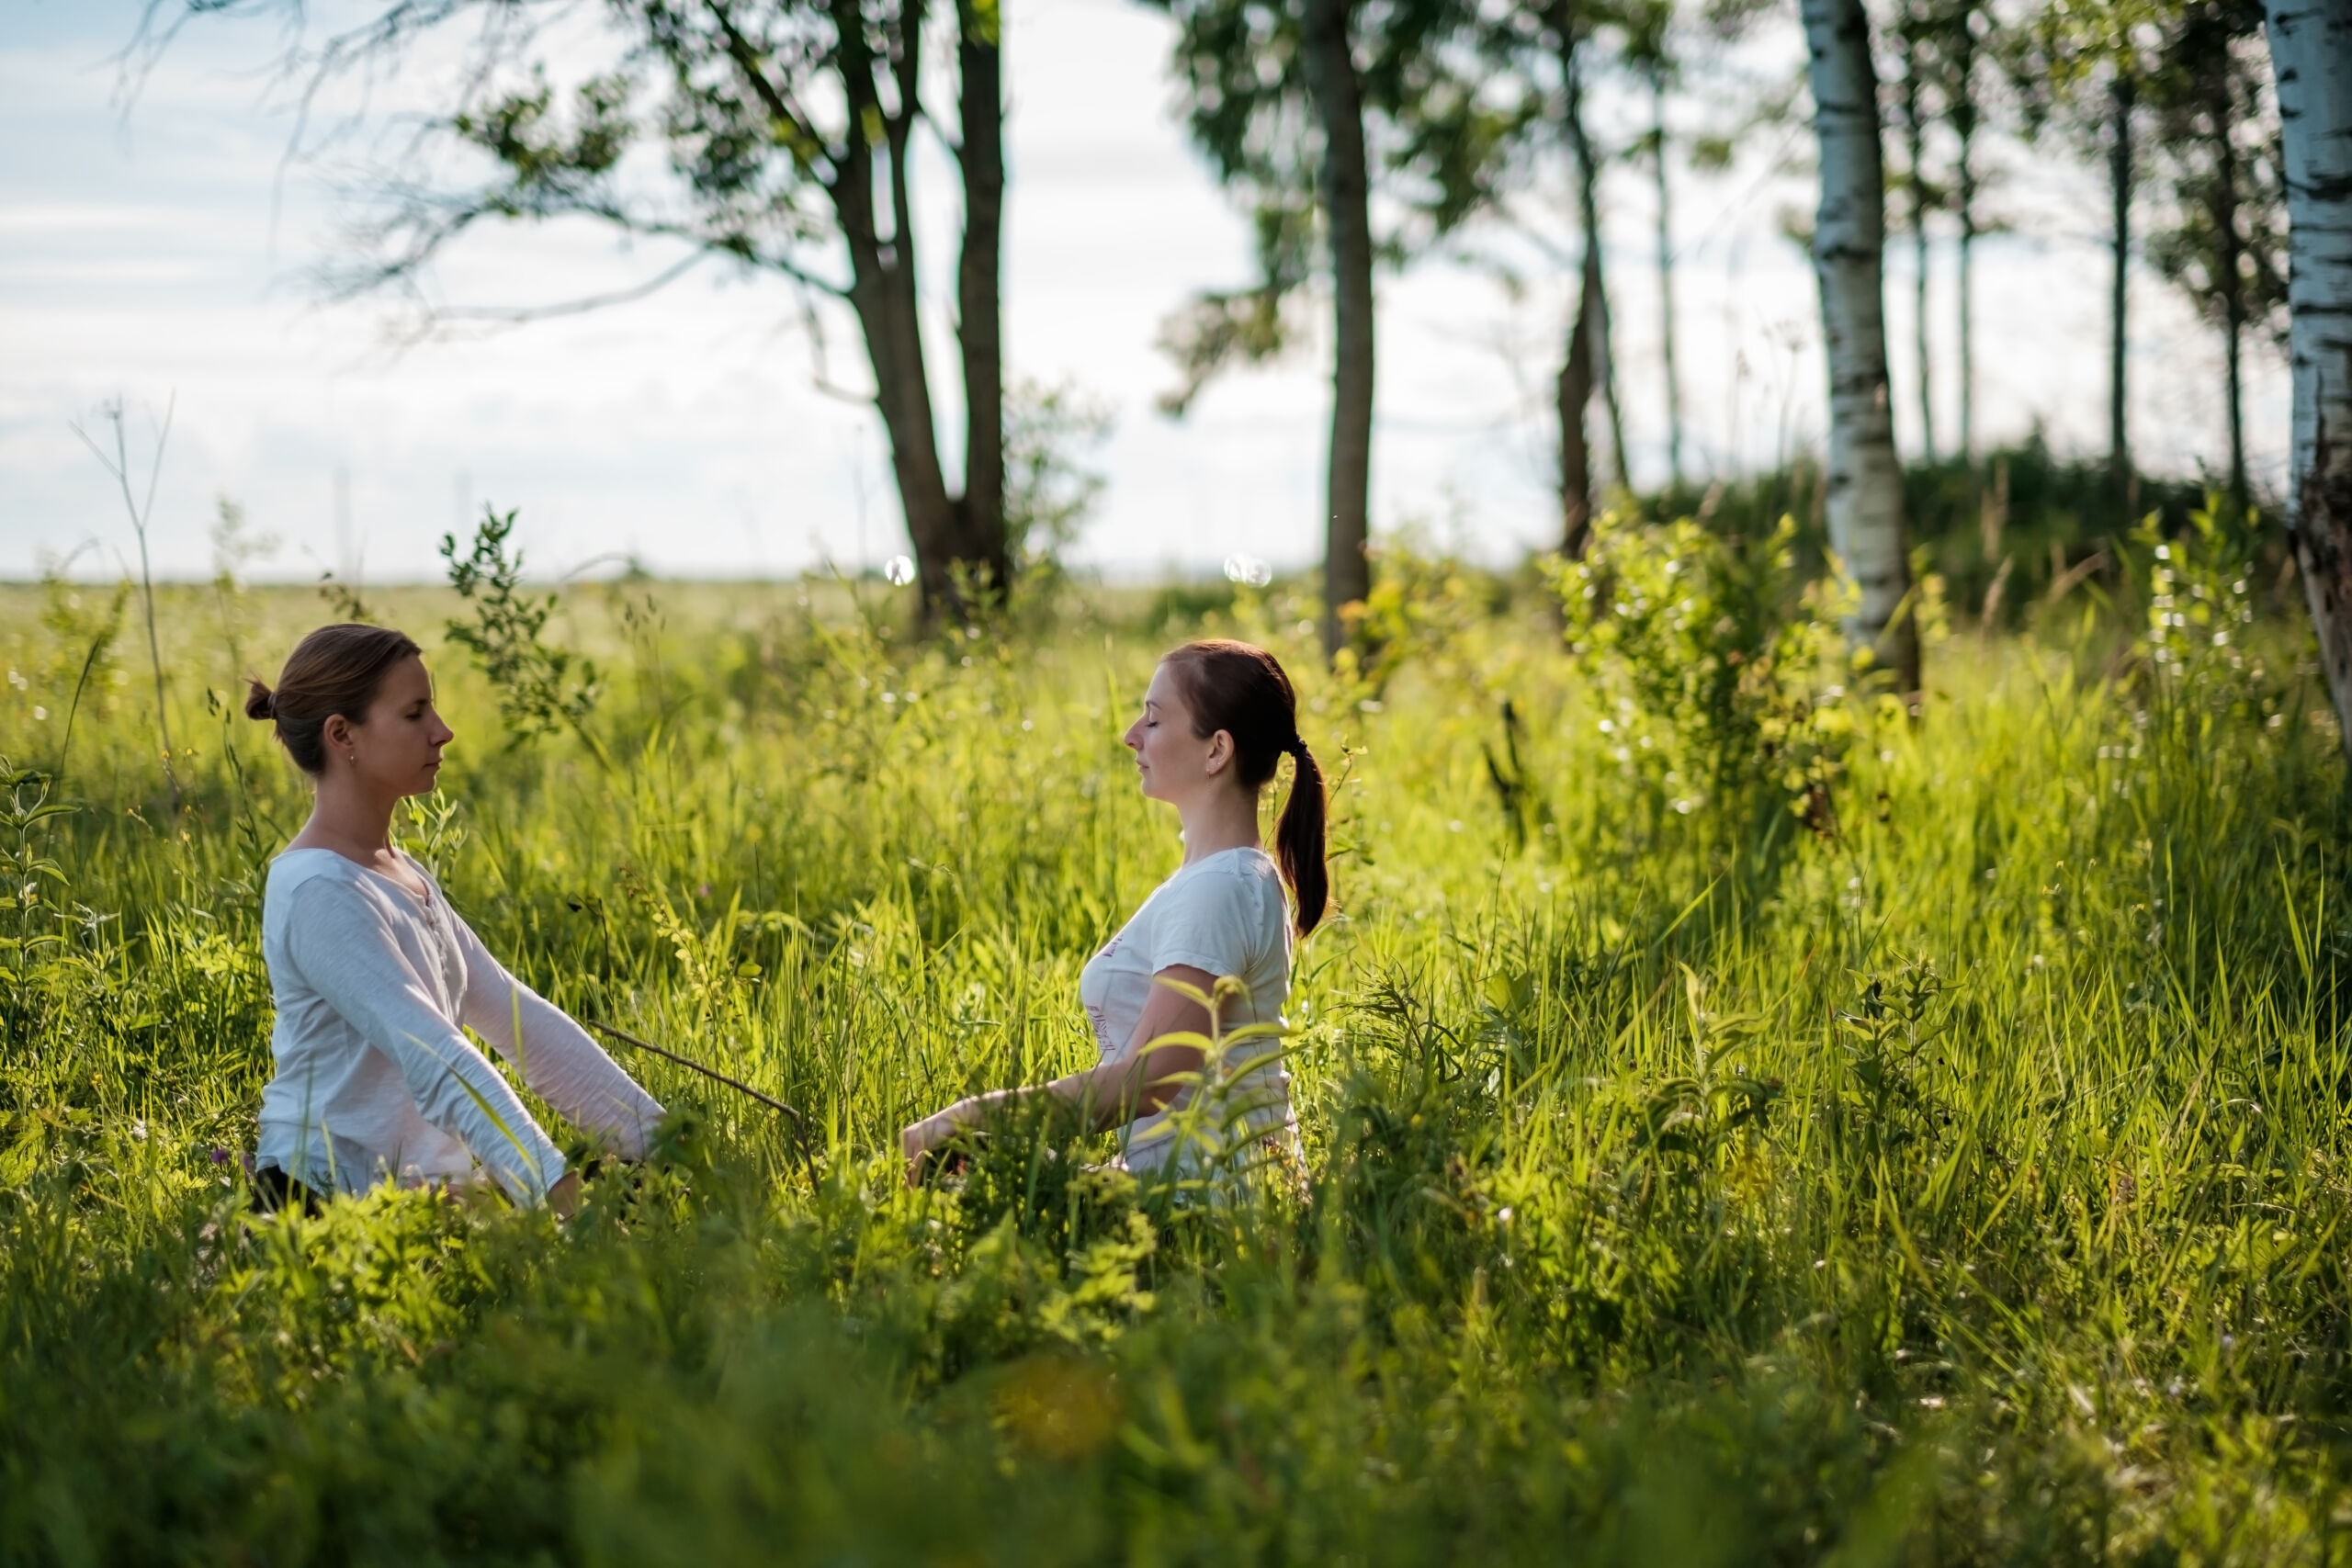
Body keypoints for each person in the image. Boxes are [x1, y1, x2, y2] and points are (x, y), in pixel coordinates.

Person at [244, 624, 663, 1214]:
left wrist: (666, 1145)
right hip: (328, 1201)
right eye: (415, 714)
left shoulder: (397, 871)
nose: (443, 732)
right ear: (343, 735)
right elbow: (438, 1055)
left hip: (424, 1195)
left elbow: (518, 1020)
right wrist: (559, 1198)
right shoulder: (318, 889)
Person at [900, 638, 1329, 1185]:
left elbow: (1150, 1081)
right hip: (1183, 1187)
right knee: (966, 1162)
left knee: (951, 1154)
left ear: (1217, 750)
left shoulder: (1220, 888)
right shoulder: (1219, 879)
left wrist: (971, 1115)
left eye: (1153, 720)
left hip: (1212, 1213)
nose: (1131, 735)